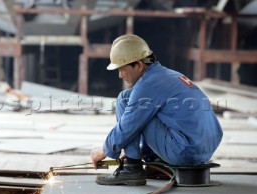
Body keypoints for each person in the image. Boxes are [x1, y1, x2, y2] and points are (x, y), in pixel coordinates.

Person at [90, 34, 223, 186]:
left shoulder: (147, 85)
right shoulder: (169, 76)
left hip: (186, 152)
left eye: (121, 69)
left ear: (139, 65)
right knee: (135, 103)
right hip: (203, 148)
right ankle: (155, 162)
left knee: (125, 100)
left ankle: (132, 169)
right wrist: (141, 150)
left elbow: (128, 125)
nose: (120, 75)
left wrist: (104, 150)